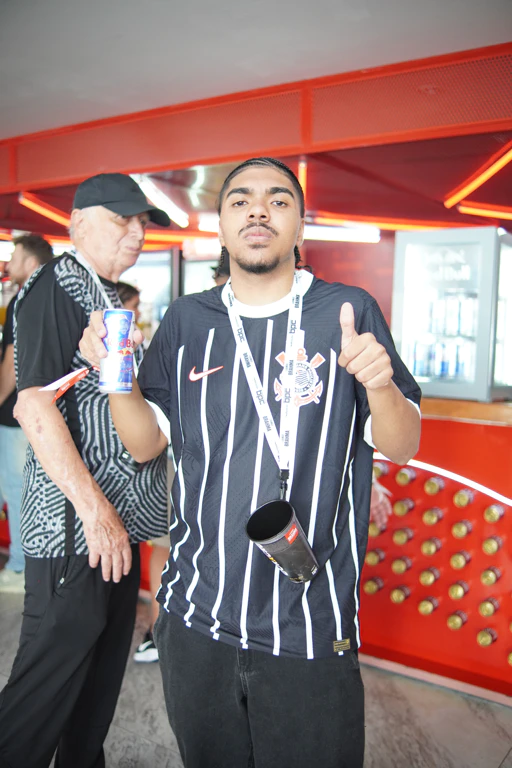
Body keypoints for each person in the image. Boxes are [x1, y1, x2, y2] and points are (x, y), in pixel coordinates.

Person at [80, 157, 421, 768]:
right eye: (239, 200)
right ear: (221, 226)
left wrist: (380, 383)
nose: (258, 210)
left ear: (299, 225)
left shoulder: (347, 311)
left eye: (278, 200)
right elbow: (144, 444)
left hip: (309, 621)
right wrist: (117, 378)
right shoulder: (186, 320)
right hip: (196, 615)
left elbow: (402, 444)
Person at [0, 173, 170, 768]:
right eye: (121, 218)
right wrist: (96, 513)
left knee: (93, 695)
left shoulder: (102, 294)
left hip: (113, 530)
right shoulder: (57, 285)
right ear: (76, 223)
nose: (136, 232)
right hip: (75, 529)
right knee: (43, 690)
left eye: (142, 221)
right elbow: (33, 405)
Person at [115, 281, 171, 663]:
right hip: (161, 462)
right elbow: (144, 441)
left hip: (162, 460)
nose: (138, 312)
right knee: (165, 547)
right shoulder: (121, 343)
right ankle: (157, 633)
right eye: (132, 306)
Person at [0, 234, 53, 593]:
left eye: (15, 256)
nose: (9, 263)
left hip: (15, 413)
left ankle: (20, 567)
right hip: (40, 411)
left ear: (31, 262)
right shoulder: (49, 298)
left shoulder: (23, 300)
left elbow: (12, 364)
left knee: (16, 490)